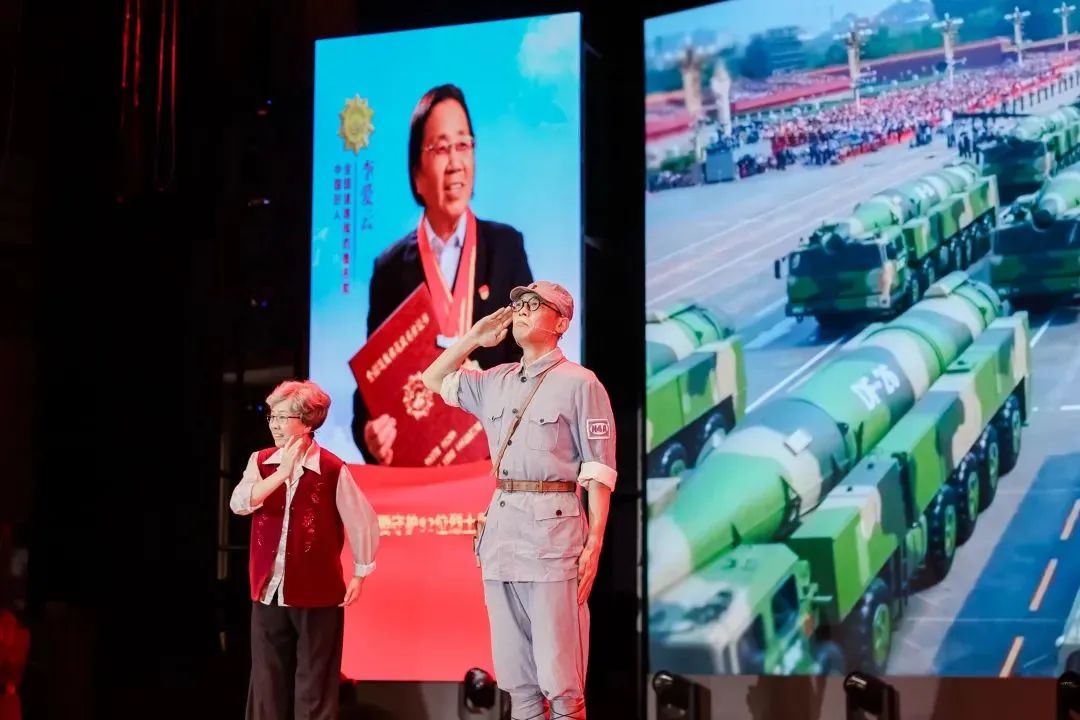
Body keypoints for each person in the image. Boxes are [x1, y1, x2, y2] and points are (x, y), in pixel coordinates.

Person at [420, 280, 617, 719]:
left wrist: (595, 542)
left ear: (560, 323)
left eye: (535, 304)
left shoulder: (581, 383)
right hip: (502, 532)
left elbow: (599, 470)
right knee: (517, 680)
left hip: (554, 534)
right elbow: (432, 379)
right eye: (520, 304)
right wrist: (473, 338)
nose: (523, 310)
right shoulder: (497, 380)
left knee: (561, 680)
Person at [353, 82, 534, 465]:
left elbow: (530, 354)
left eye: (463, 144)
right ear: (416, 173)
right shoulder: (389, 269)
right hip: (422, 474)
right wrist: (371, 432)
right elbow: (374, 384)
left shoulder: (505, 247)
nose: (455, 162)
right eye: (440, 148)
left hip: (492, 463)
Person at [230, 379, 380, 720]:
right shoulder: (261, 462)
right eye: (272, 416)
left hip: (318, 593)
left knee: (314, 683)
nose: (275, 425)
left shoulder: (331, 468)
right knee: (267, 681)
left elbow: (362, 520)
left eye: (283, 418)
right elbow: (239, 503)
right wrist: (281, 473)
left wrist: (361, 571)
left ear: (308, 421)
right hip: (268, 590)